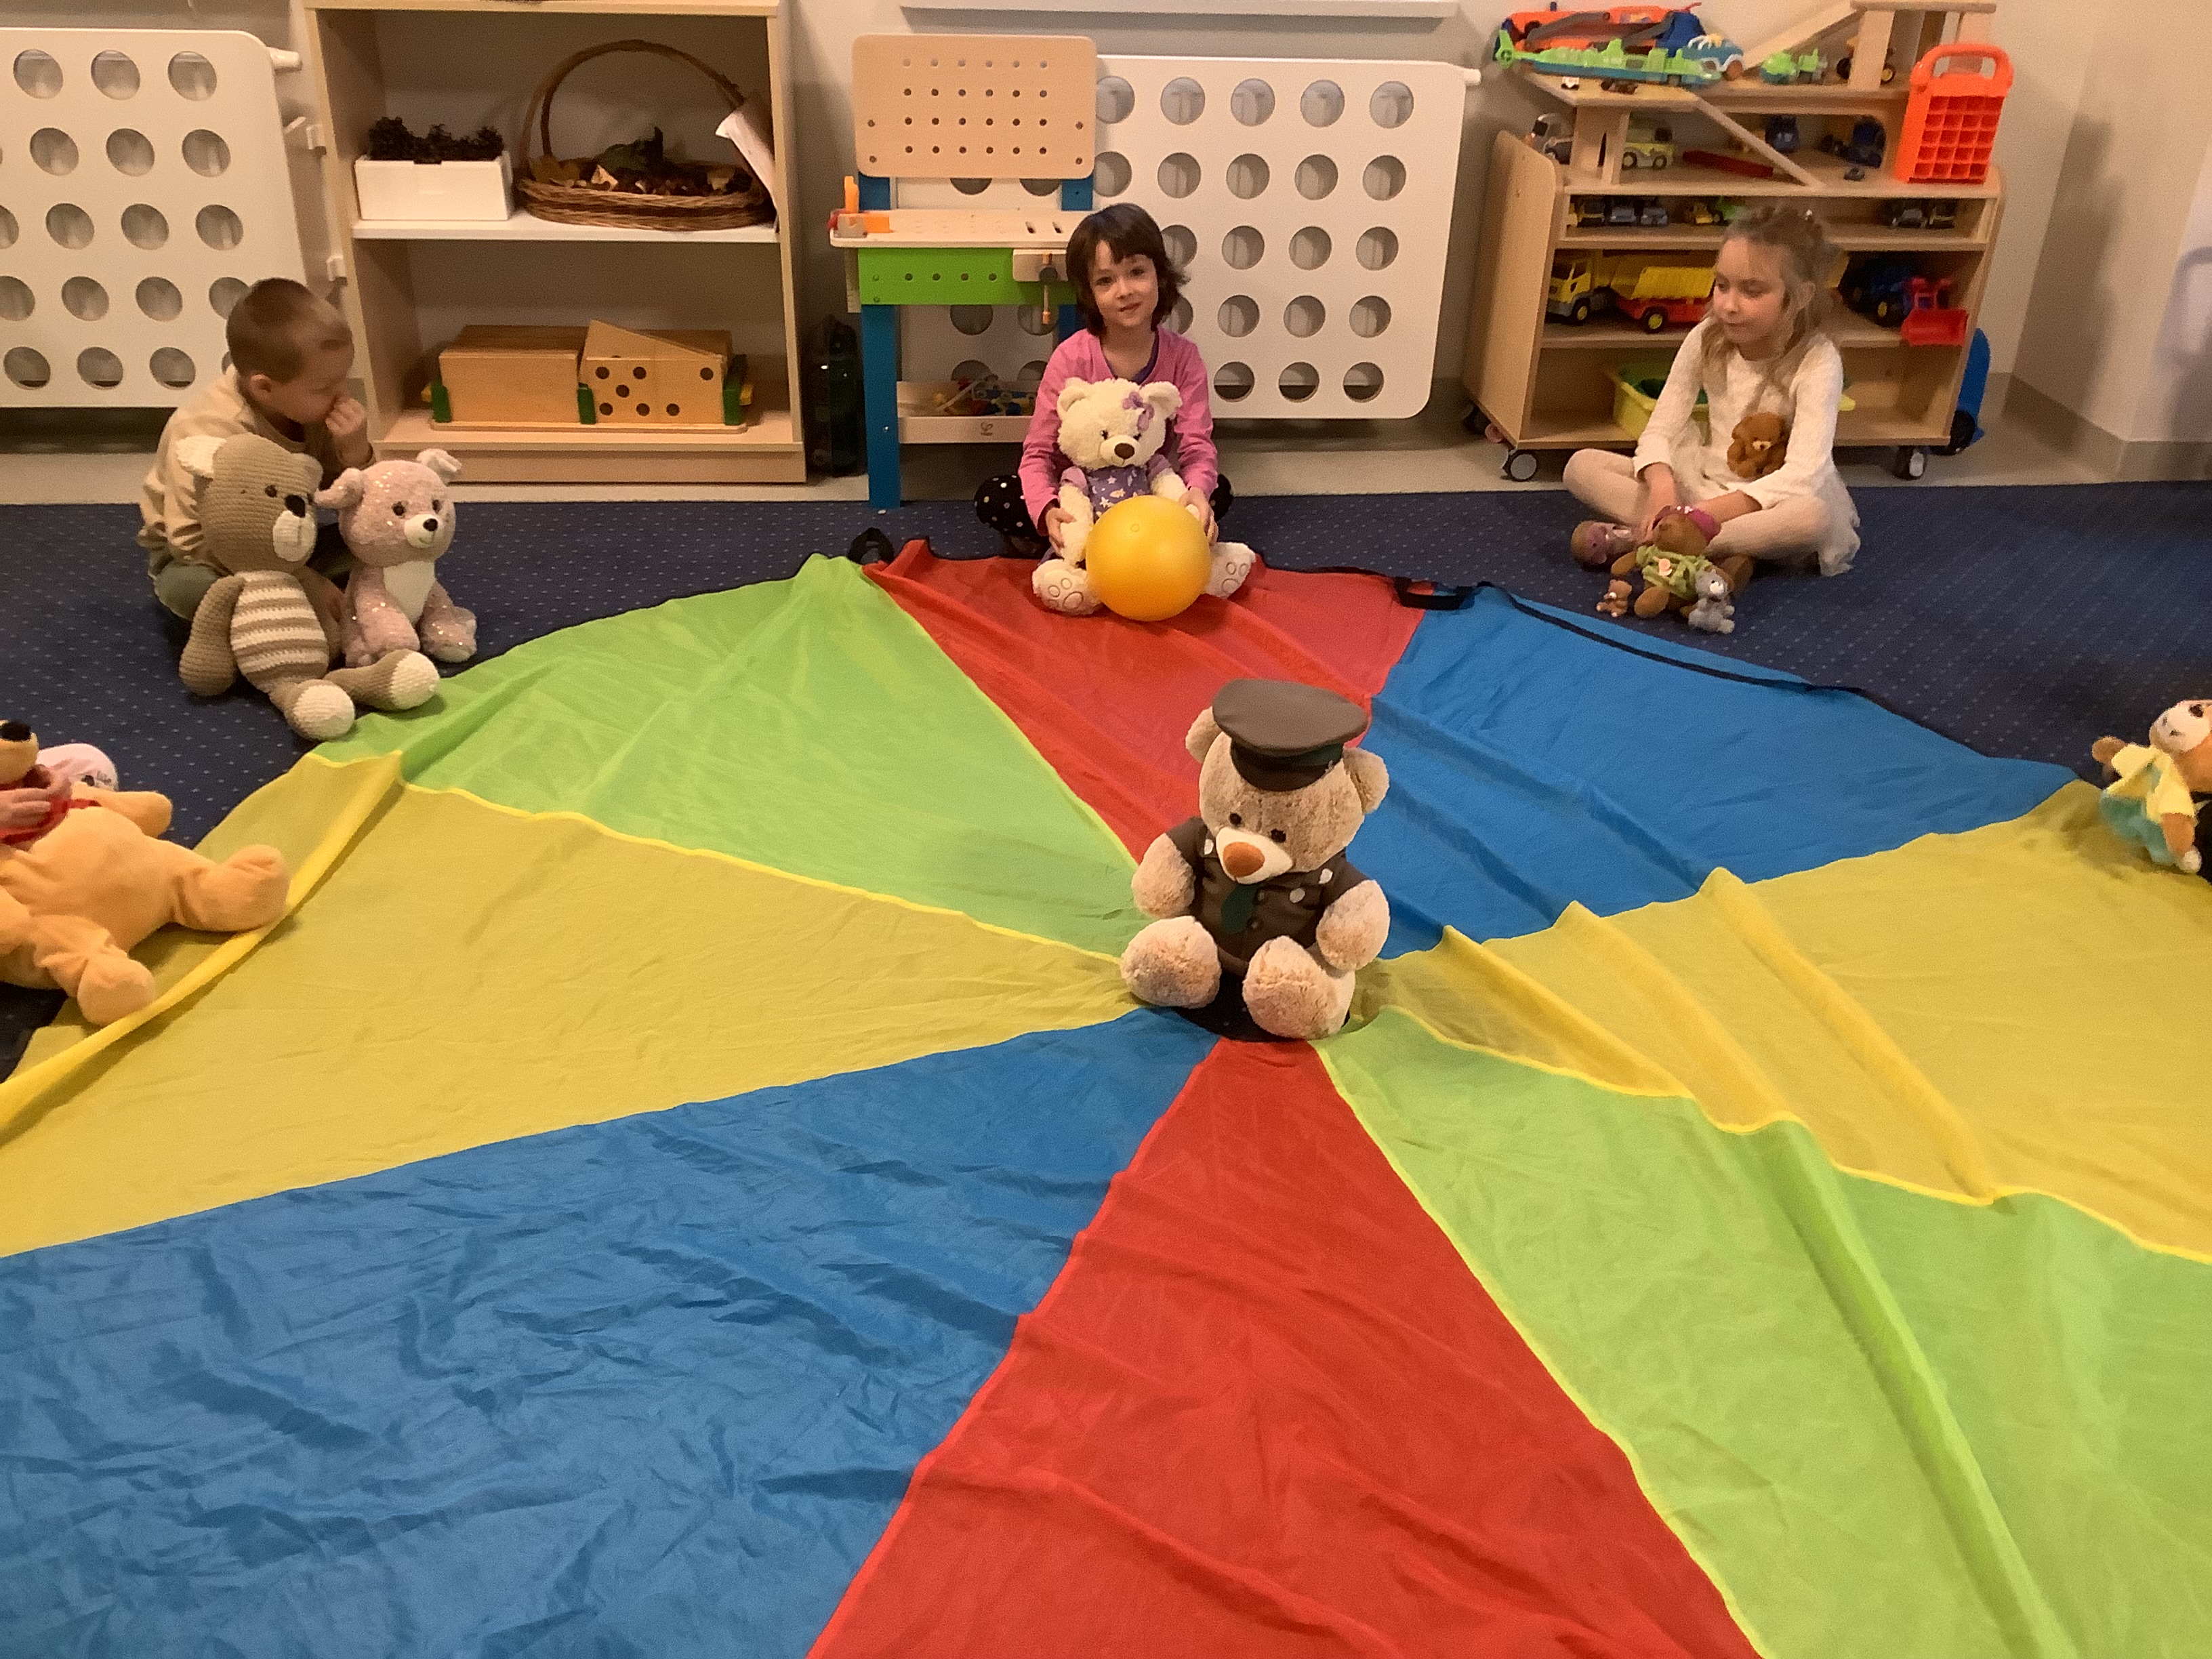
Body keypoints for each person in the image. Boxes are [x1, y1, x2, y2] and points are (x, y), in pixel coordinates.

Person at [1563, 203, 1860, 578]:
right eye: (1722, 285)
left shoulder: (1818, 360)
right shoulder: (1706, 336)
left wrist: (1700, 517)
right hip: (1701, 486)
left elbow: (1801, 475)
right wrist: (1662, 489)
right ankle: (1700, 543)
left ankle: (1661, 541)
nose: (1728, 305)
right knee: (1581, 466)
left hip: (1768, 505)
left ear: (1799, 297)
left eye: (1752, 291)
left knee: (1812, 518)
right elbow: (1660, 429)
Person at [974, 204, 1232, 557]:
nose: (1124, 291)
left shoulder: (1184, 357)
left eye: (1137, 272)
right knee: (995, 497)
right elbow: (1038, 451)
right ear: (1090, 293)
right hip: (1077, 493)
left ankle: (1121, 541)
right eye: (1105, 280)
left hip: (1146, 489)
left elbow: (1197, 446)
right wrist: (1048, 509)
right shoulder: (1070, 358)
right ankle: (1071, 538)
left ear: (1160, 275)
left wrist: (1198, 492)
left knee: (1217, 491)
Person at [139, 278, 371, 621]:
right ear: (264, 388)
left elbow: (348, 498)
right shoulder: (206, 430)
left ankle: (290, 605)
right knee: (192, 590)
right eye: (325, 387)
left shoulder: (308, 407)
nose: (342, 395)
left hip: (290, 539)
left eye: (344, 379)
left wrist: (356, 454)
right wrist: (302, 578)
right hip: (209, 556)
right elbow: (190, 541)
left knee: (384, 539)